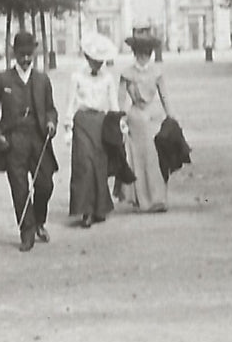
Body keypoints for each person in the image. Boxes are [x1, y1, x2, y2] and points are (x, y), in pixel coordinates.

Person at [0, 31, 59, 252]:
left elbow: (51, 109)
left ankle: (39, 221)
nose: (26, 59)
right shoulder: (1, 80)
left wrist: (51, 123)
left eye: (29, 55)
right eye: (21, 54)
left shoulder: (43, 79)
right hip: (13, 141)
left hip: (38, 138)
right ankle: (27, 232)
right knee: (20, 188)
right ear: (13, 53)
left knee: (45, 183)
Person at [62, 32, 121, 227]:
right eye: (95, 60)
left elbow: (113, 104)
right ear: (87, 58)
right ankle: (85, 210)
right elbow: (70, 102)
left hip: (101, 123)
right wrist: (68, 127)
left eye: (101, 61)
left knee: (99, 165)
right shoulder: (77, 76)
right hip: (82, 123)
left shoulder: (108, 78)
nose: (98, 64)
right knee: (84, 165)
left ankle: (99, 208)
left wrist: (119, 126)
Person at [118, 34, 172, 212]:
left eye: (146, 52)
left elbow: (164, 96)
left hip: (152, 117)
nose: (143, 56)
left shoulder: (156, 72)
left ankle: (156, 198)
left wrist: (171, 116)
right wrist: (121, 119)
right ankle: (142, 198)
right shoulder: (127, 73)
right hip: (136, 117)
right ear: (135, 53)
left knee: (153, 158)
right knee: (138, 157)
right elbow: (120, 99)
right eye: (140, 52)